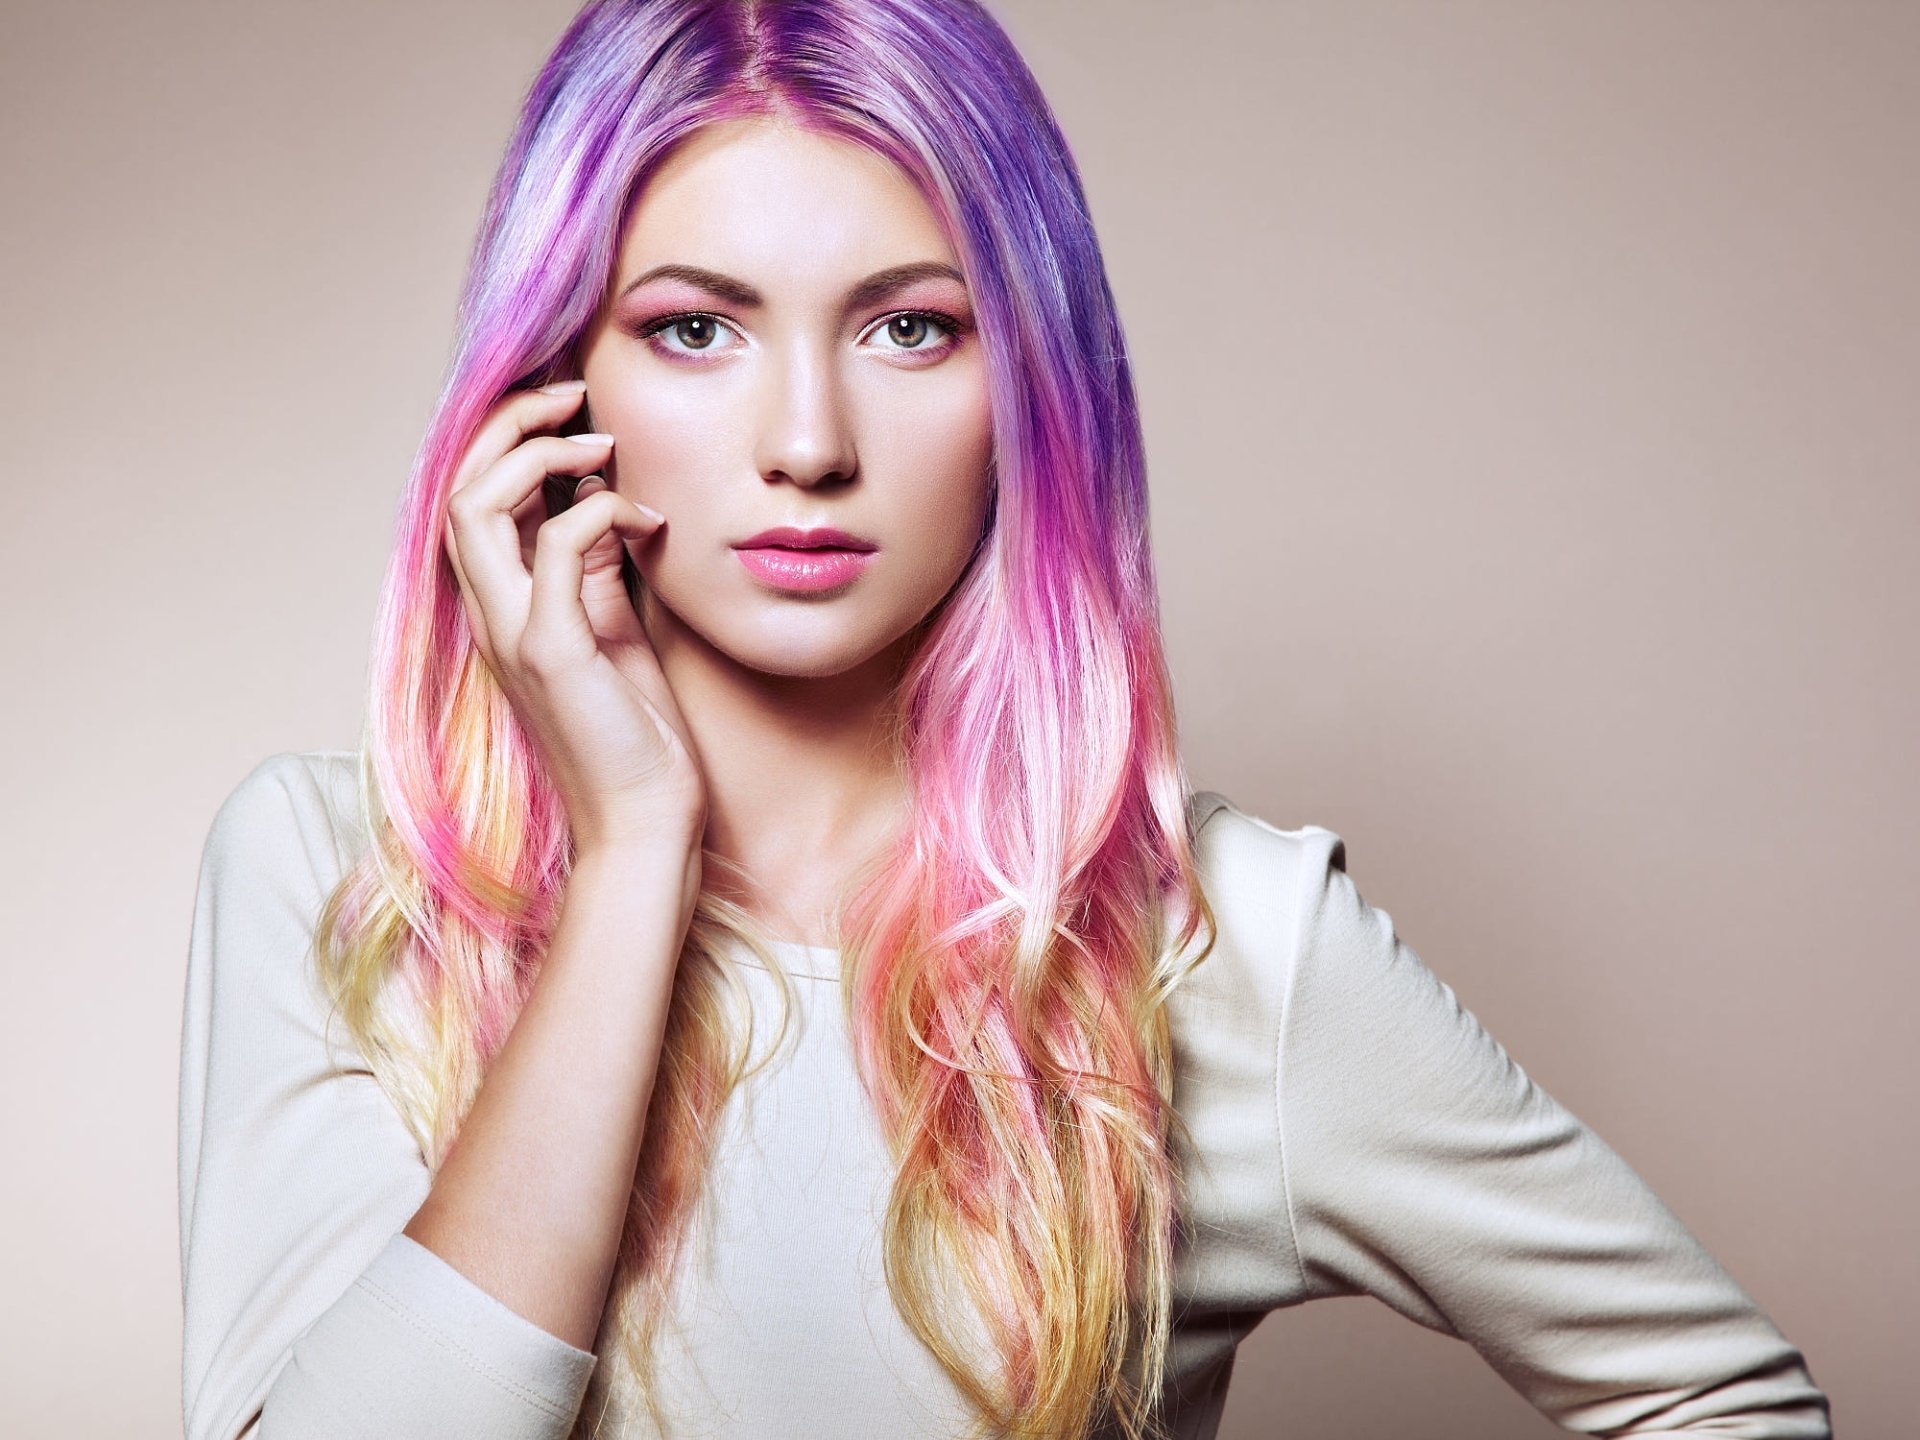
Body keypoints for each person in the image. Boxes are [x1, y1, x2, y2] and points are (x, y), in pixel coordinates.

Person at [176, 2, 1833, 1438]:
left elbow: (1722, 1395)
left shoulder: (1224, 954)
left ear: (1029, 383)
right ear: (554, 392)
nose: (808, 440)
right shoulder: (337, 879)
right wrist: (631, 859)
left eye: (912, 327)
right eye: (696, 328)